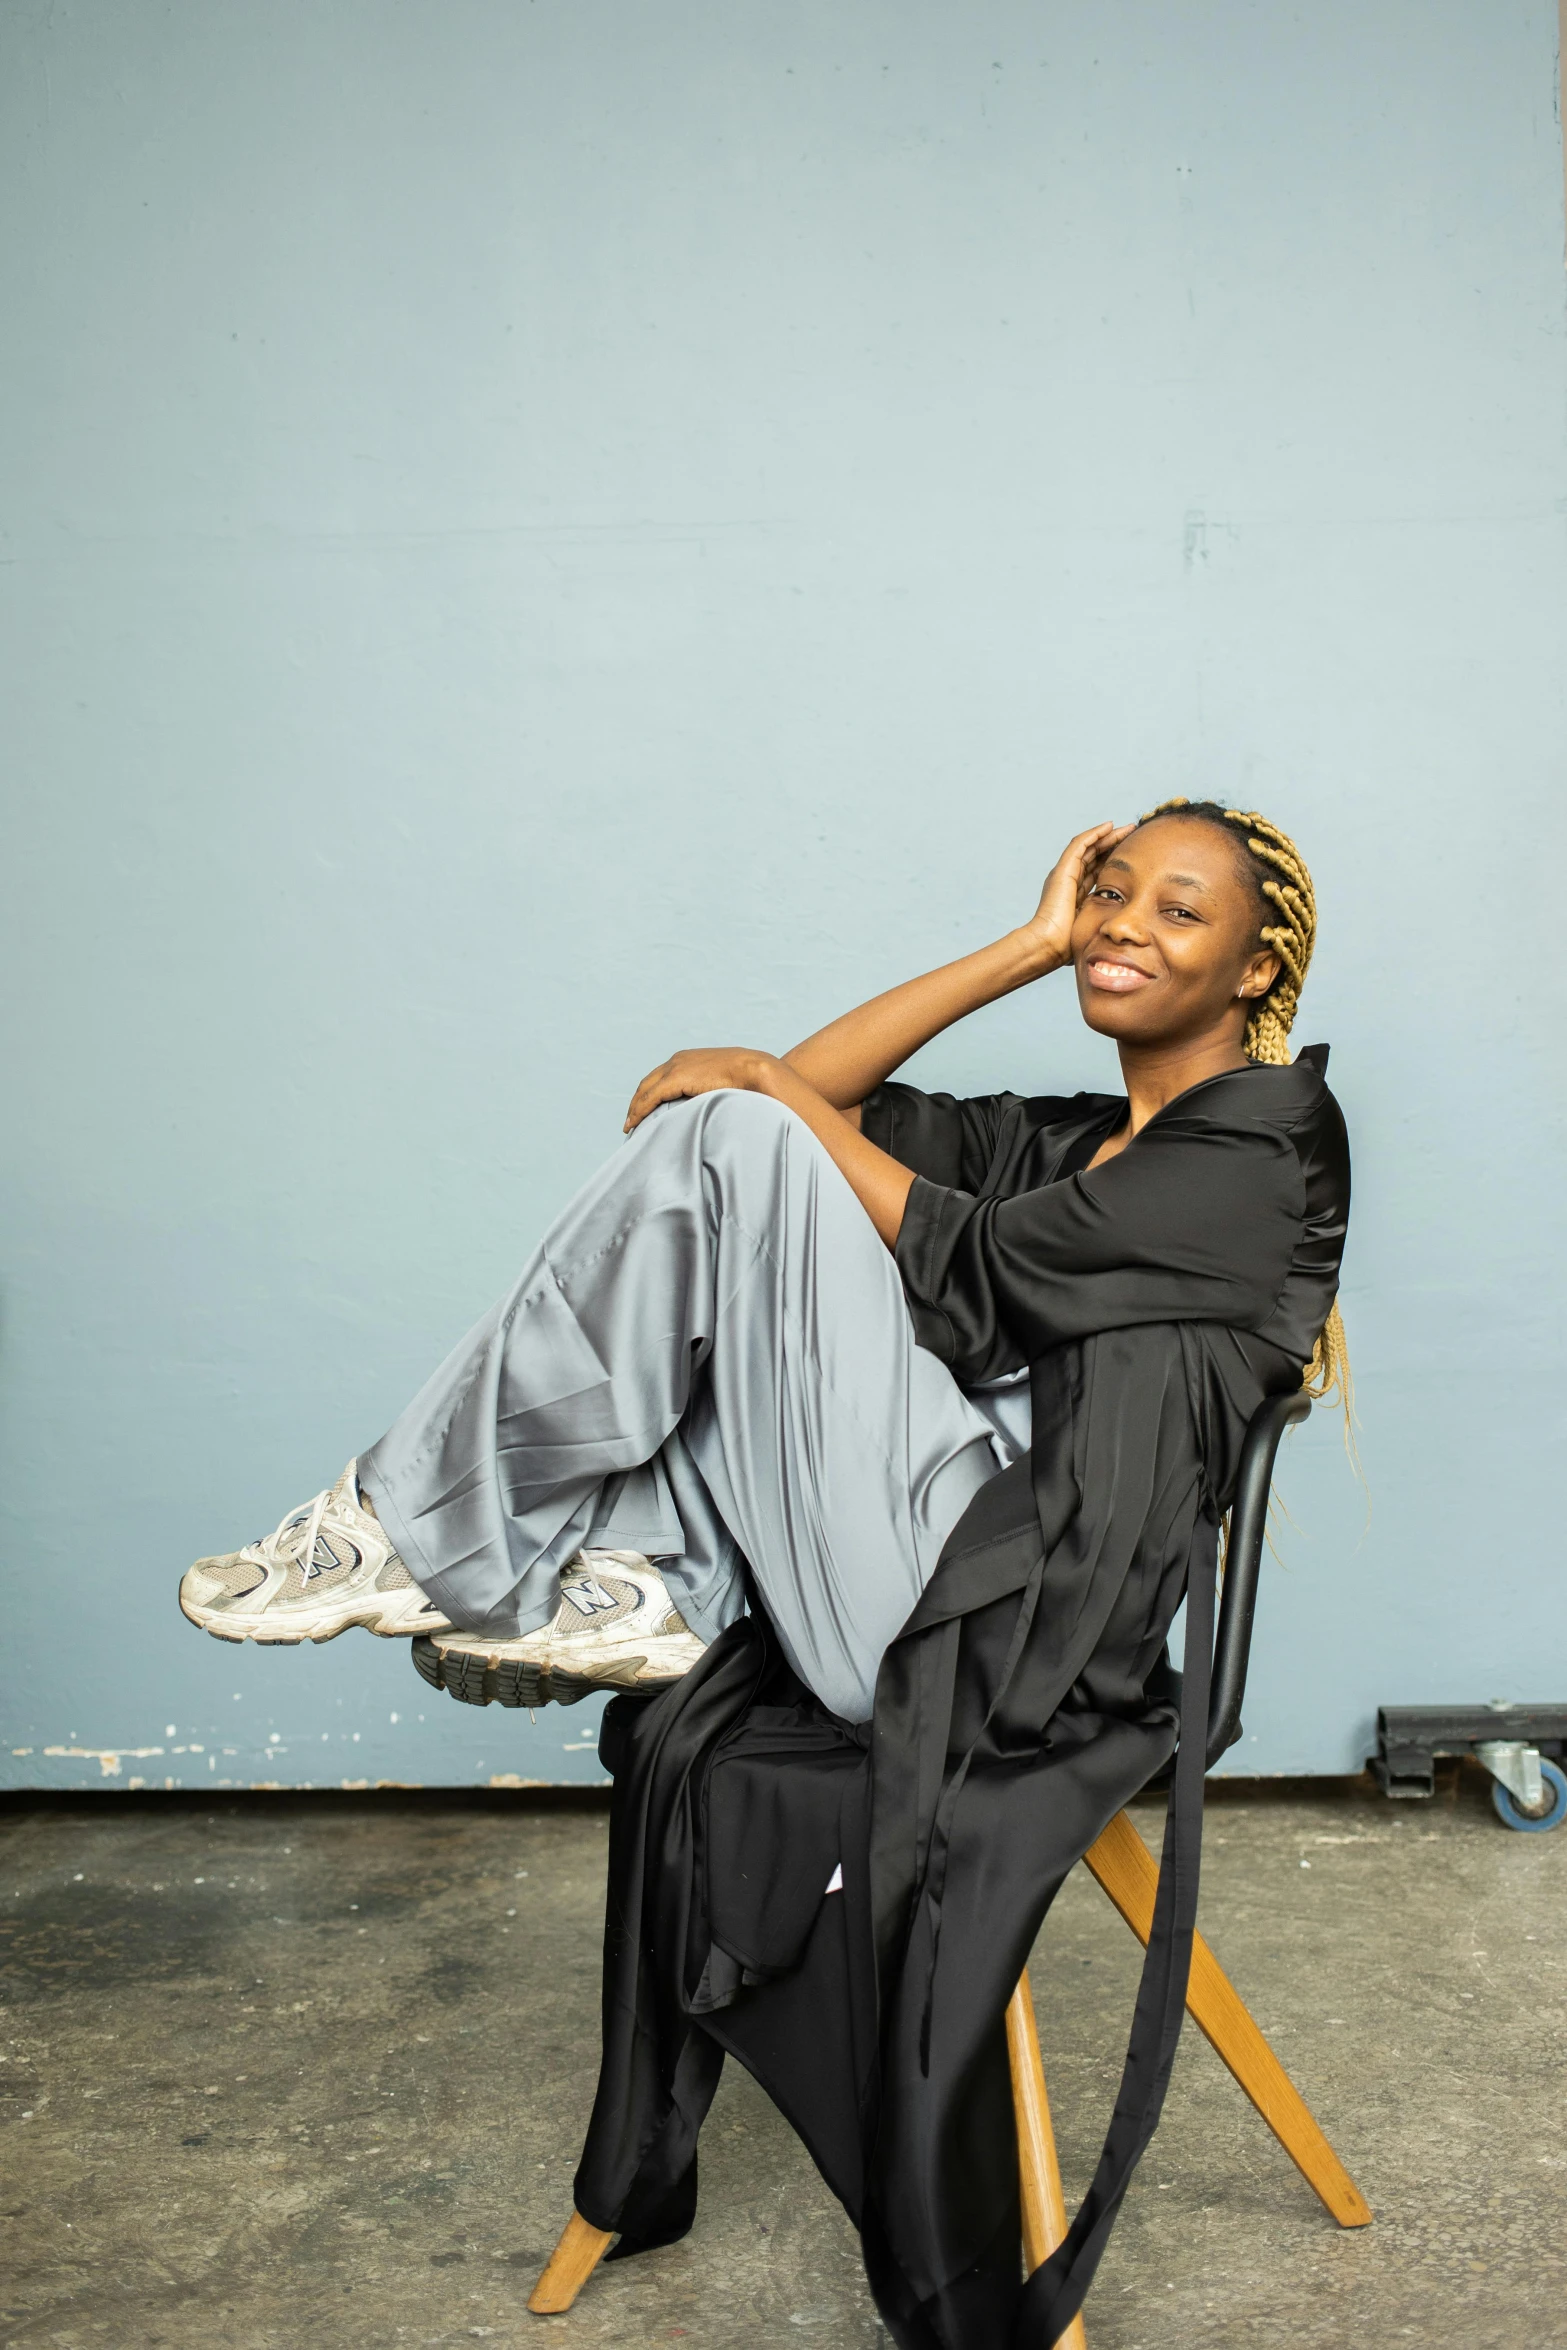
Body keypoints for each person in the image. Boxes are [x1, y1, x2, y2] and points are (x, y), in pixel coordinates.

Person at [180, 797, 1350, 2350]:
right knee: (733, 1157)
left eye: (1172, 910)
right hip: (920, 1565)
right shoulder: (1066, 1135)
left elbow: (959, 1254)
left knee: (743, 1141)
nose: (1124, 924)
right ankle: (627, 1574)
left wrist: (756, 1099)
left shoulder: (1268, 1139)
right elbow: (814, 1098)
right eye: (1110, 892)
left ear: (1253, 958)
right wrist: (1020, 941)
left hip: (1005, 1633)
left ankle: (447, 1529)